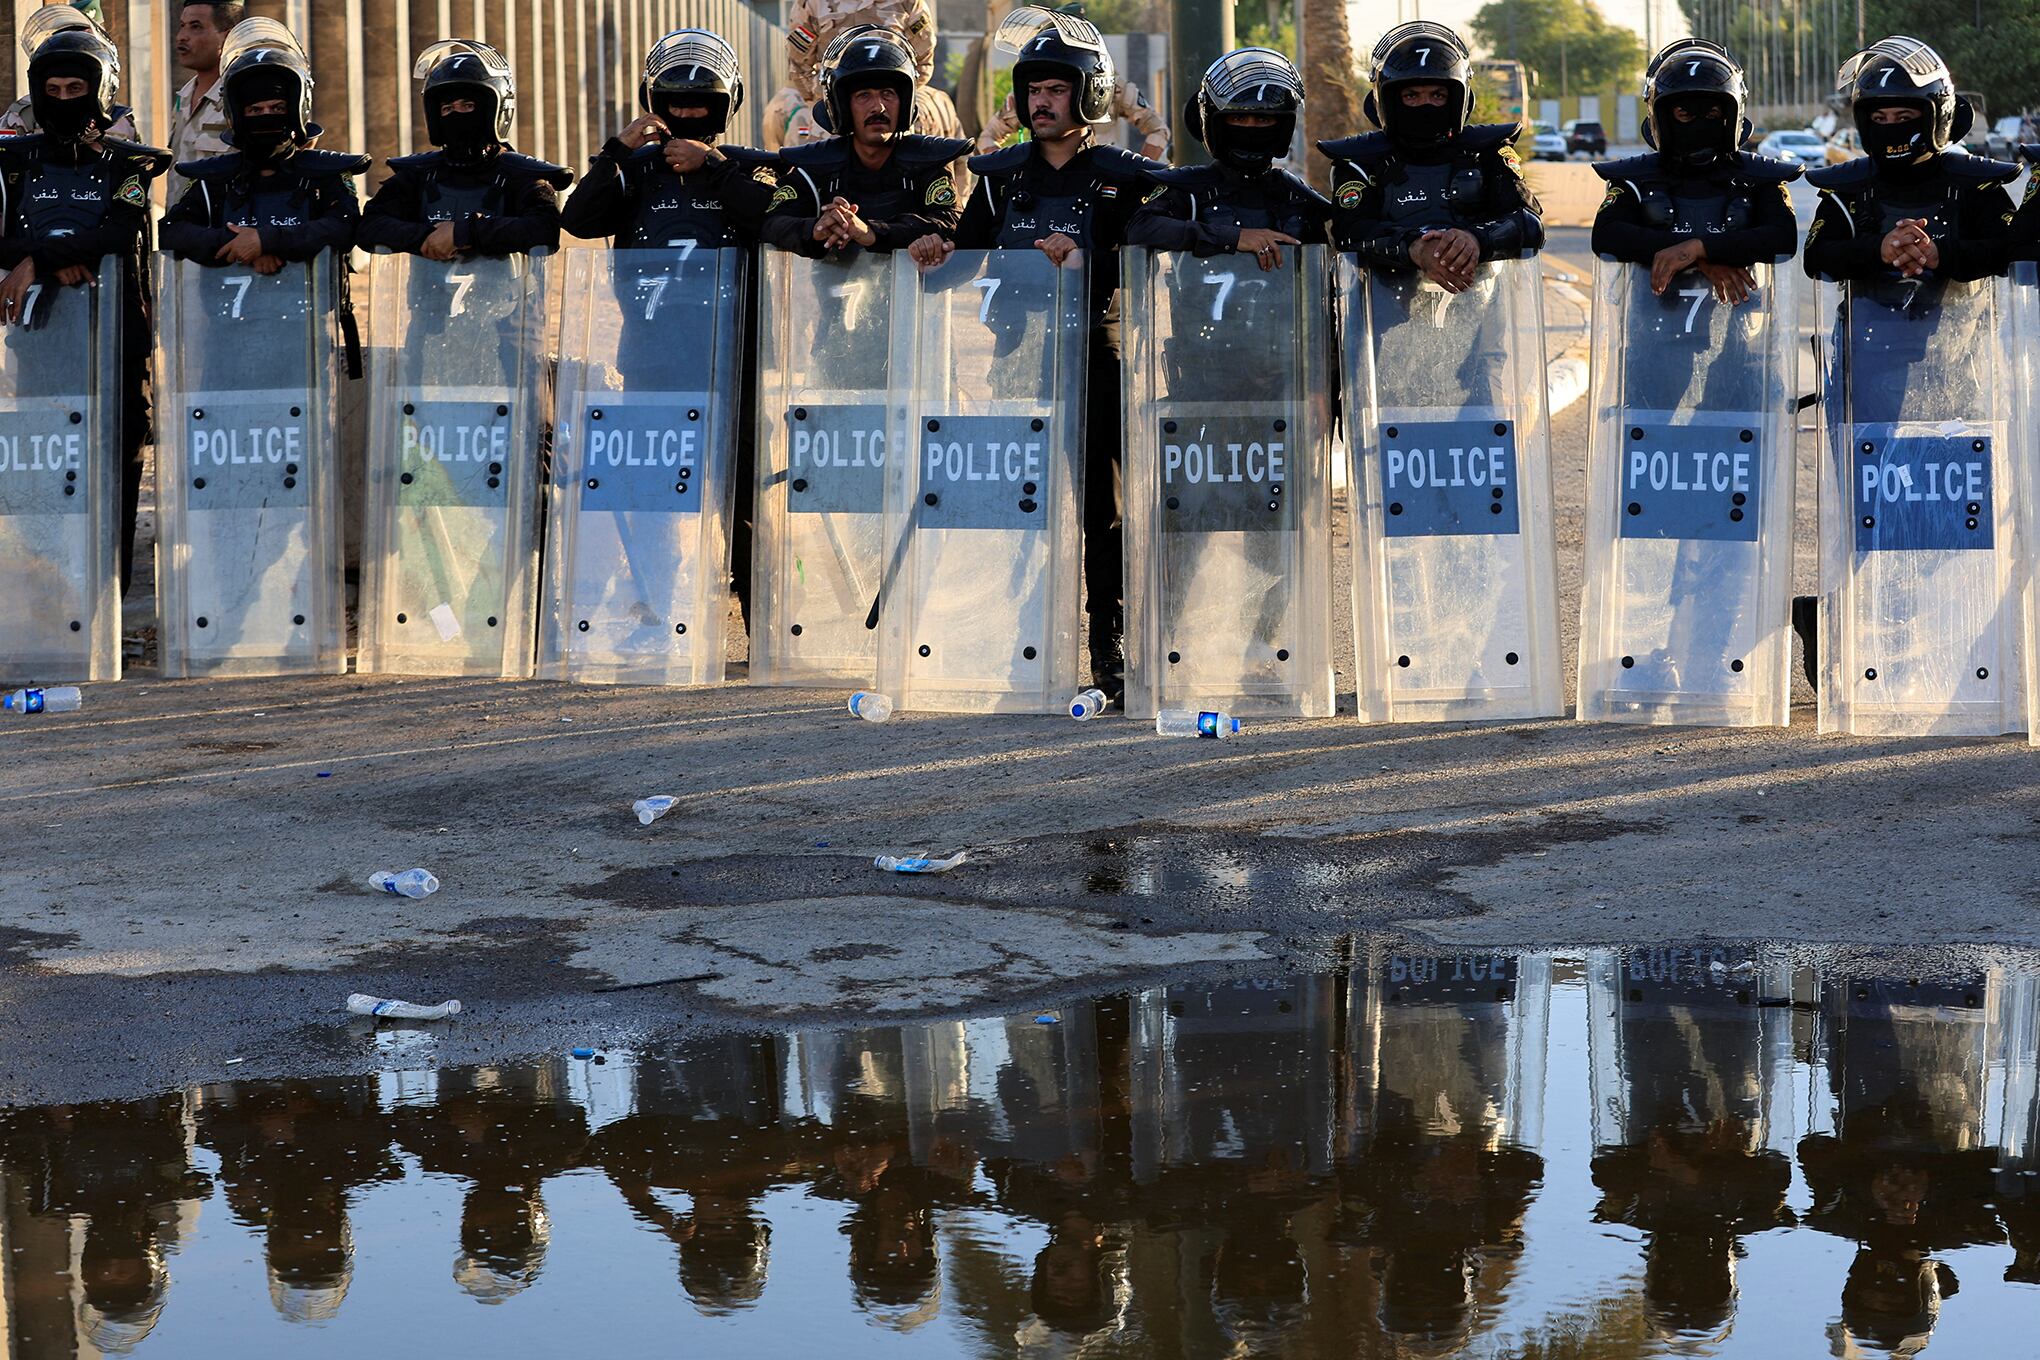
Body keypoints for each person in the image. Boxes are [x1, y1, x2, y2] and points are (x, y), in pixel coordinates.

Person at [908, 8, 1150, 704]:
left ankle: (1109, 648)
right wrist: (935, 249)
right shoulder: (997, 175)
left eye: (1056, 88)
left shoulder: (1120, 174)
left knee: (1101, 513)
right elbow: (963, 258)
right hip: (1016, 361)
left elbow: (1146, 258)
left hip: (1097, 358)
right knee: (1025, 509)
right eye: (1031, 89)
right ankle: (1025, 639)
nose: (1040, 102)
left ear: (1089, 94)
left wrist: (1088, 256)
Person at [1797, 36, 2021, 688]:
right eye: (1880, 115)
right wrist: (1880, 248)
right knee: (1878, 517)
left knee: (1954, 519)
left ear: (1937, 112)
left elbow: (2007, 247)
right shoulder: (1847, 187)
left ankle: (1892, 632)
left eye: (1906, 114)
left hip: (1961, 373)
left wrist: (1939, 255)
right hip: (1870, 377)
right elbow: (1817, 256)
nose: (1892, 126)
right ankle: (1851, 631)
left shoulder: (1977, 181)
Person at [563, 28, 780, 632]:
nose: (688, 114)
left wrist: (712, 169)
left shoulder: (751, 169)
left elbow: (778, 218)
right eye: (676, 103)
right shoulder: (631, 172)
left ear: (726, 104)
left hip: (734, 359)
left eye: (701, 104)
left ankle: (759, 622)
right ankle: (656, 611)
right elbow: (578, 220)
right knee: (656, 493)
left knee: (742, 496)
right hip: (652, 357)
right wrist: (615, 153)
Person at [0, 25, 171, 593]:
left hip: (118, 338)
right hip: (40, 340)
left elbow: (122, 230)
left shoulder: (128, 164)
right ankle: (48, 587)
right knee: (44, 459)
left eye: (78, 87)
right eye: (56, 88)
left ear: (98, 91)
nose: (66, 98)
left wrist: (37, 261)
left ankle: (107, 592)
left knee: (117, 459)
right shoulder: (13, 163)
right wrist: (45, 262)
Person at [1319, 21, 1543, 300]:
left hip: (1480, 309)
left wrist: (1476, 240)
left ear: (1458, 98)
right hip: (1380, 314)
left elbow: (1529, 224)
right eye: (1411, 96)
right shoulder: (1359, 160)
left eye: (1437, 95)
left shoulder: (1487, 152)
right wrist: (1415, 248)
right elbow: (1349, 231)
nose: (1425, 105)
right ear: (1387, 99)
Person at [761, 25, 967, 261]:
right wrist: (819, 228)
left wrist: (871, 232)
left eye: (888, 94)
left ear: (905, 103)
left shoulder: (927, 161)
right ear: (842, 107)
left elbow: (950, 222)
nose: (878, 107)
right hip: (834, 293)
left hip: (913, 293)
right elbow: (772, 222)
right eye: (863, 96)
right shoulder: (818, 164)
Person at [359, 39, 570, 261]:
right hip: (427, 294)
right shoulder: (419, 173)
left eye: (467, 106)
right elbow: (369, 225)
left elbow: (544, 229)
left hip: (506, 294)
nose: (457, 115)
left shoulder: (522, 175)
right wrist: (427, 237)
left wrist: (462, 233)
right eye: (447, 109)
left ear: (493, 111)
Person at [973, 3, 1168, 159]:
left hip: (1102, 181)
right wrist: (1007, 172)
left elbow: (1159, 130)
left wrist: (1139, 177)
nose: (1041, 99)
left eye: (1057, 90)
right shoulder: (1033, 93)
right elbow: (987, 138)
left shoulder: (1112, 86)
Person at [0, 3, 139, 141]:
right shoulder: (23, 116)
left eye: (75, 88)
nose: (64, 97)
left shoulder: (121, 123)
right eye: (53, 89)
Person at [165, 1, 243, 201]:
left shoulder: (241, 99)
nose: (182, 36)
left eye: (196, 27)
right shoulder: (184, 97)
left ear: (228, 37)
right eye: (182, 26)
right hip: (178, 227)